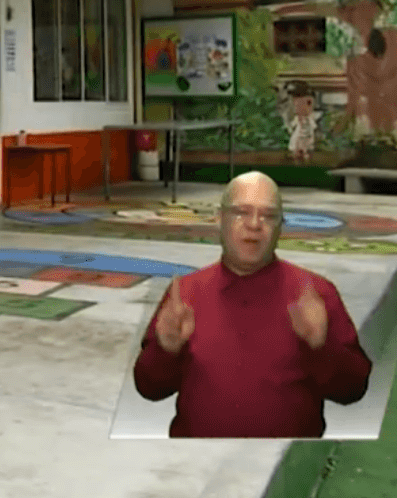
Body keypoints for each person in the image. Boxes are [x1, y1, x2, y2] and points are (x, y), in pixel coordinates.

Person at [133, 171, 372, 437]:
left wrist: (321, 346)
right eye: (241, 213)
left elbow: (353, 391)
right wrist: (165, 350)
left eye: (268, 216)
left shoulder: (315, 294)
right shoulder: (185, 294)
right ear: (220, 219)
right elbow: (148, 388)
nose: (255, 224)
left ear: (281, 226)